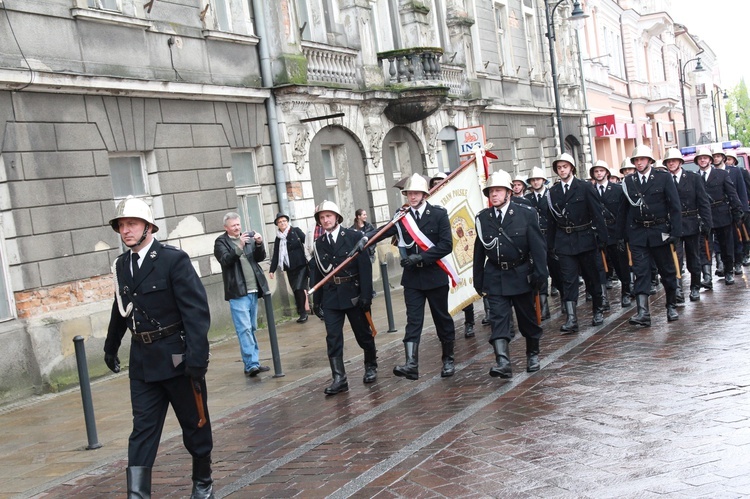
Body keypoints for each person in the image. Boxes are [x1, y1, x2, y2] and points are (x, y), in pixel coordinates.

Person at [103, 196, 214, 498]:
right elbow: (121, 308)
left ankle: (203, 483)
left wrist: (197, 357)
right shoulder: (121, 265)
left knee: (195, 424)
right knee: (142, 432)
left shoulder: (172, 260)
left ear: (148, 227)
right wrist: (111, 347)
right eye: (121, 225)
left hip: (178, 358)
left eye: (132, 224)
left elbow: (196, 311)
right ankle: (137, 495)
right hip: (143, 362)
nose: (125, 230)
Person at [357, 173, 456, 380]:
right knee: (413, 320)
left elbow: (446, 245)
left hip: (434, 275)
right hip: (413, 279)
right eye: (409, 193)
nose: (412, 197)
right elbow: (384, 231)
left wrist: (421, 257)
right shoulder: (402, 216)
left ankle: (448, 359)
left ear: (424, 194)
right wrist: (365, 237)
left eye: (416, 193)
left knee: (441, 318)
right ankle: (411, 363)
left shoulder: (438, 214)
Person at [474, 170, 547, 378]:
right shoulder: (483, 218)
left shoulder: (526, 213)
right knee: (498, 319)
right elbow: (479, 251)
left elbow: (538, 247)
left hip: (521, 273)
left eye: (498, 191)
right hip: (495, 275)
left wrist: (540, 274)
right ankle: (502, 362)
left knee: (527, 319)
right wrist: (478, 279)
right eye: (490, 192)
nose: (494, 195)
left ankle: (532, 354)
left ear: (508, 193)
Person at [310, 200, 377, 395]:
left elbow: (365, 267)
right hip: (331, 296)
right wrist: (317, 301)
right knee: (333, 337)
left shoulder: (353, 236)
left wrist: (366, 295)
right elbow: (317, 273)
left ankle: (371, 364)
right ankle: (339, 377)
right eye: (322, 217)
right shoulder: (319, 243)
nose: (325, 220)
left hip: (353, 293)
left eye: (329, 216)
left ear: (337, 217)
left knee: (363, 333)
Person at [617, 145, 682, 326]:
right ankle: (643, 313)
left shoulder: (663, 178)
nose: (639, 163)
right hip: (638, 234)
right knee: (641, 272)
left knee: (667, 270)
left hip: (660, 231)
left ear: (650, 161)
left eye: (642, 159)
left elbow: (674, 207)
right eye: (636, 160)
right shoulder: (628, 181)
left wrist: (676, 232)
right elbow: (623, 211)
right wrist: (621, 236)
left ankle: (671, 306)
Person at [547, 153, 608, 333]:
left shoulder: (585, 187)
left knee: (592, 277)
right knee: (568, 280)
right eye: (559, 168)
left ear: (572, 168)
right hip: (565, 242)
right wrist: (551, 245)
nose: (562, 170)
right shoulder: (553, 192)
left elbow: (597, 214)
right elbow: (551, 221)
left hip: (586, 239)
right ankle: (571, 318)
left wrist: (602, 240)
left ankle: (597, 310)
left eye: (565, 167)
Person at [214, 212, 271, 377]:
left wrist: (259, 243)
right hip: (237, 292)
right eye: (233, 226)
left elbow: (259, 258)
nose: (237, 228)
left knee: (252, 328)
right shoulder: (221, 242)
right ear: (226, 228)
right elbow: (225, 260)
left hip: (254, 289)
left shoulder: (247, 238)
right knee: (244, 329)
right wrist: (238, 247)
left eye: (238, 224)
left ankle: (254, 362)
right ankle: (251, 364)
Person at [430, 172, 478, 338]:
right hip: (439, 253)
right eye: (435, 182)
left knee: (462, 284)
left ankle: (469, 322)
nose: (438, 185)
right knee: (444, 293)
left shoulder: (452, 196)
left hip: (457, 247)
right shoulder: (429, 204)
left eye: (441, 181)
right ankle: (445, 329)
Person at [663, 147, 712, 302]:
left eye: (673, 161)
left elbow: (703, 202)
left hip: (691, 222)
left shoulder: (692, 178)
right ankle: (677, 290)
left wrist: (706, 223)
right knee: (674, 258)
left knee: (694, 257)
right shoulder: (663, 179)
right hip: (672, 225)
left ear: (680, 162)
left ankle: (695, 287)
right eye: (668, 161)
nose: (671, 164)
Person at [694, 146, 744, 286]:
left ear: (710, 160)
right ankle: (707, 277)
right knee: (704, 247)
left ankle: (729, 272)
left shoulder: (721, 174)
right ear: (697, 161)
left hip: (721, 213)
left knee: (726, 245)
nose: (702, 160)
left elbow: (732, 194)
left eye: (705, 158)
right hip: (703, 216)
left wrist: (737, 211)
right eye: (700, 158)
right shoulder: (694, 177)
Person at [590, 160, 632, 308]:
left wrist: (623, 235)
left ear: (607, 172)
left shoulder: (617, 189)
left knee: (621, 265)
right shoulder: (590, 191)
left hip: (615, 232)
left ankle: (626, 291)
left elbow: (624, 213)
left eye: (601, 170)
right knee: (598, 267)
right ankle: (603, 298)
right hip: (597, 234)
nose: (599, 173)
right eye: (596, 171)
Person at [525, 166, 560, 319]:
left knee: (556, 269)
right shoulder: (528, 199)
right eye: (533, 180)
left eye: (538, 179)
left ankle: (565, 297)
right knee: (540, 271)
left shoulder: (551, 195)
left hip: (551, 237)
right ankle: (543, 306)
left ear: (543, 180)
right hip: (535, 239)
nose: (535, 182)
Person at [269, 212, 310, 323]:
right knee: (295, 290)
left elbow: (307, 242)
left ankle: (303, 313)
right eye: (280, 222)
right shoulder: (278, 238)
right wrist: (271, 270)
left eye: (284, 221)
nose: (282, 223)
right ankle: (301, 311)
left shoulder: (295, 231)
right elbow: (276, 254)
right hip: (289, 267)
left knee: (299, 287)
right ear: (277, 224)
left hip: (301, 265)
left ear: (287, 222)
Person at [726, 150, 750, 266]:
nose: (727, 162)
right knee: (735, 235)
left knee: (745, 233)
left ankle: (746, 254)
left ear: (734, 161)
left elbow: (746, 189)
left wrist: (745, 206)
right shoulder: (721, 173)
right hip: (729, 209)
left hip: (743, 206)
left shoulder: (741, 171)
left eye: (729, 159)